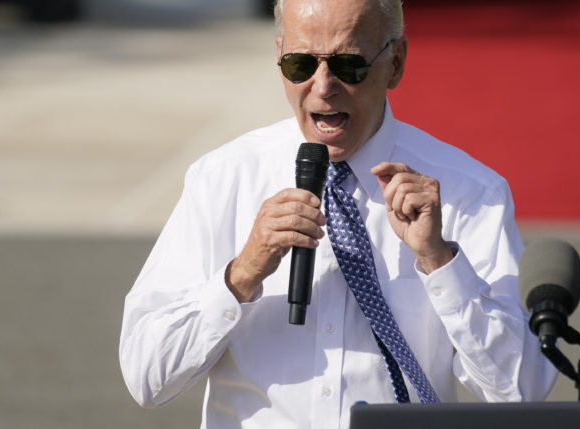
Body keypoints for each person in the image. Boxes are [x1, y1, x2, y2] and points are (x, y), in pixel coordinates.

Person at [119, 0, 557, 427]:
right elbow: (147, 377)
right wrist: (241, 275)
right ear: (278, 57)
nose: (323, 85)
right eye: (300, 65)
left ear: (396, 62)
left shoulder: (468, 192)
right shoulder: (223, 180)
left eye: (349, 65)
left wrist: (440, 262)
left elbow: (522, 390)